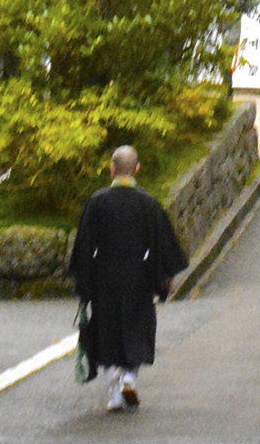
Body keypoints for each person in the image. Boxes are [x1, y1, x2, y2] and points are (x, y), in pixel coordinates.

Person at [68, 145, 188, 413]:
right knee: (137, 330)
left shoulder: (97, 202)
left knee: (108, 332)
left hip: (104, 277)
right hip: (138, 276)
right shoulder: (148, 203)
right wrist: (163, 279)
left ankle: (114, 389)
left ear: (112, 169)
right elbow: (161, 246)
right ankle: (130, 378)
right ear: (137, 169)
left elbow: (84, 247)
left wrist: (84, 286)